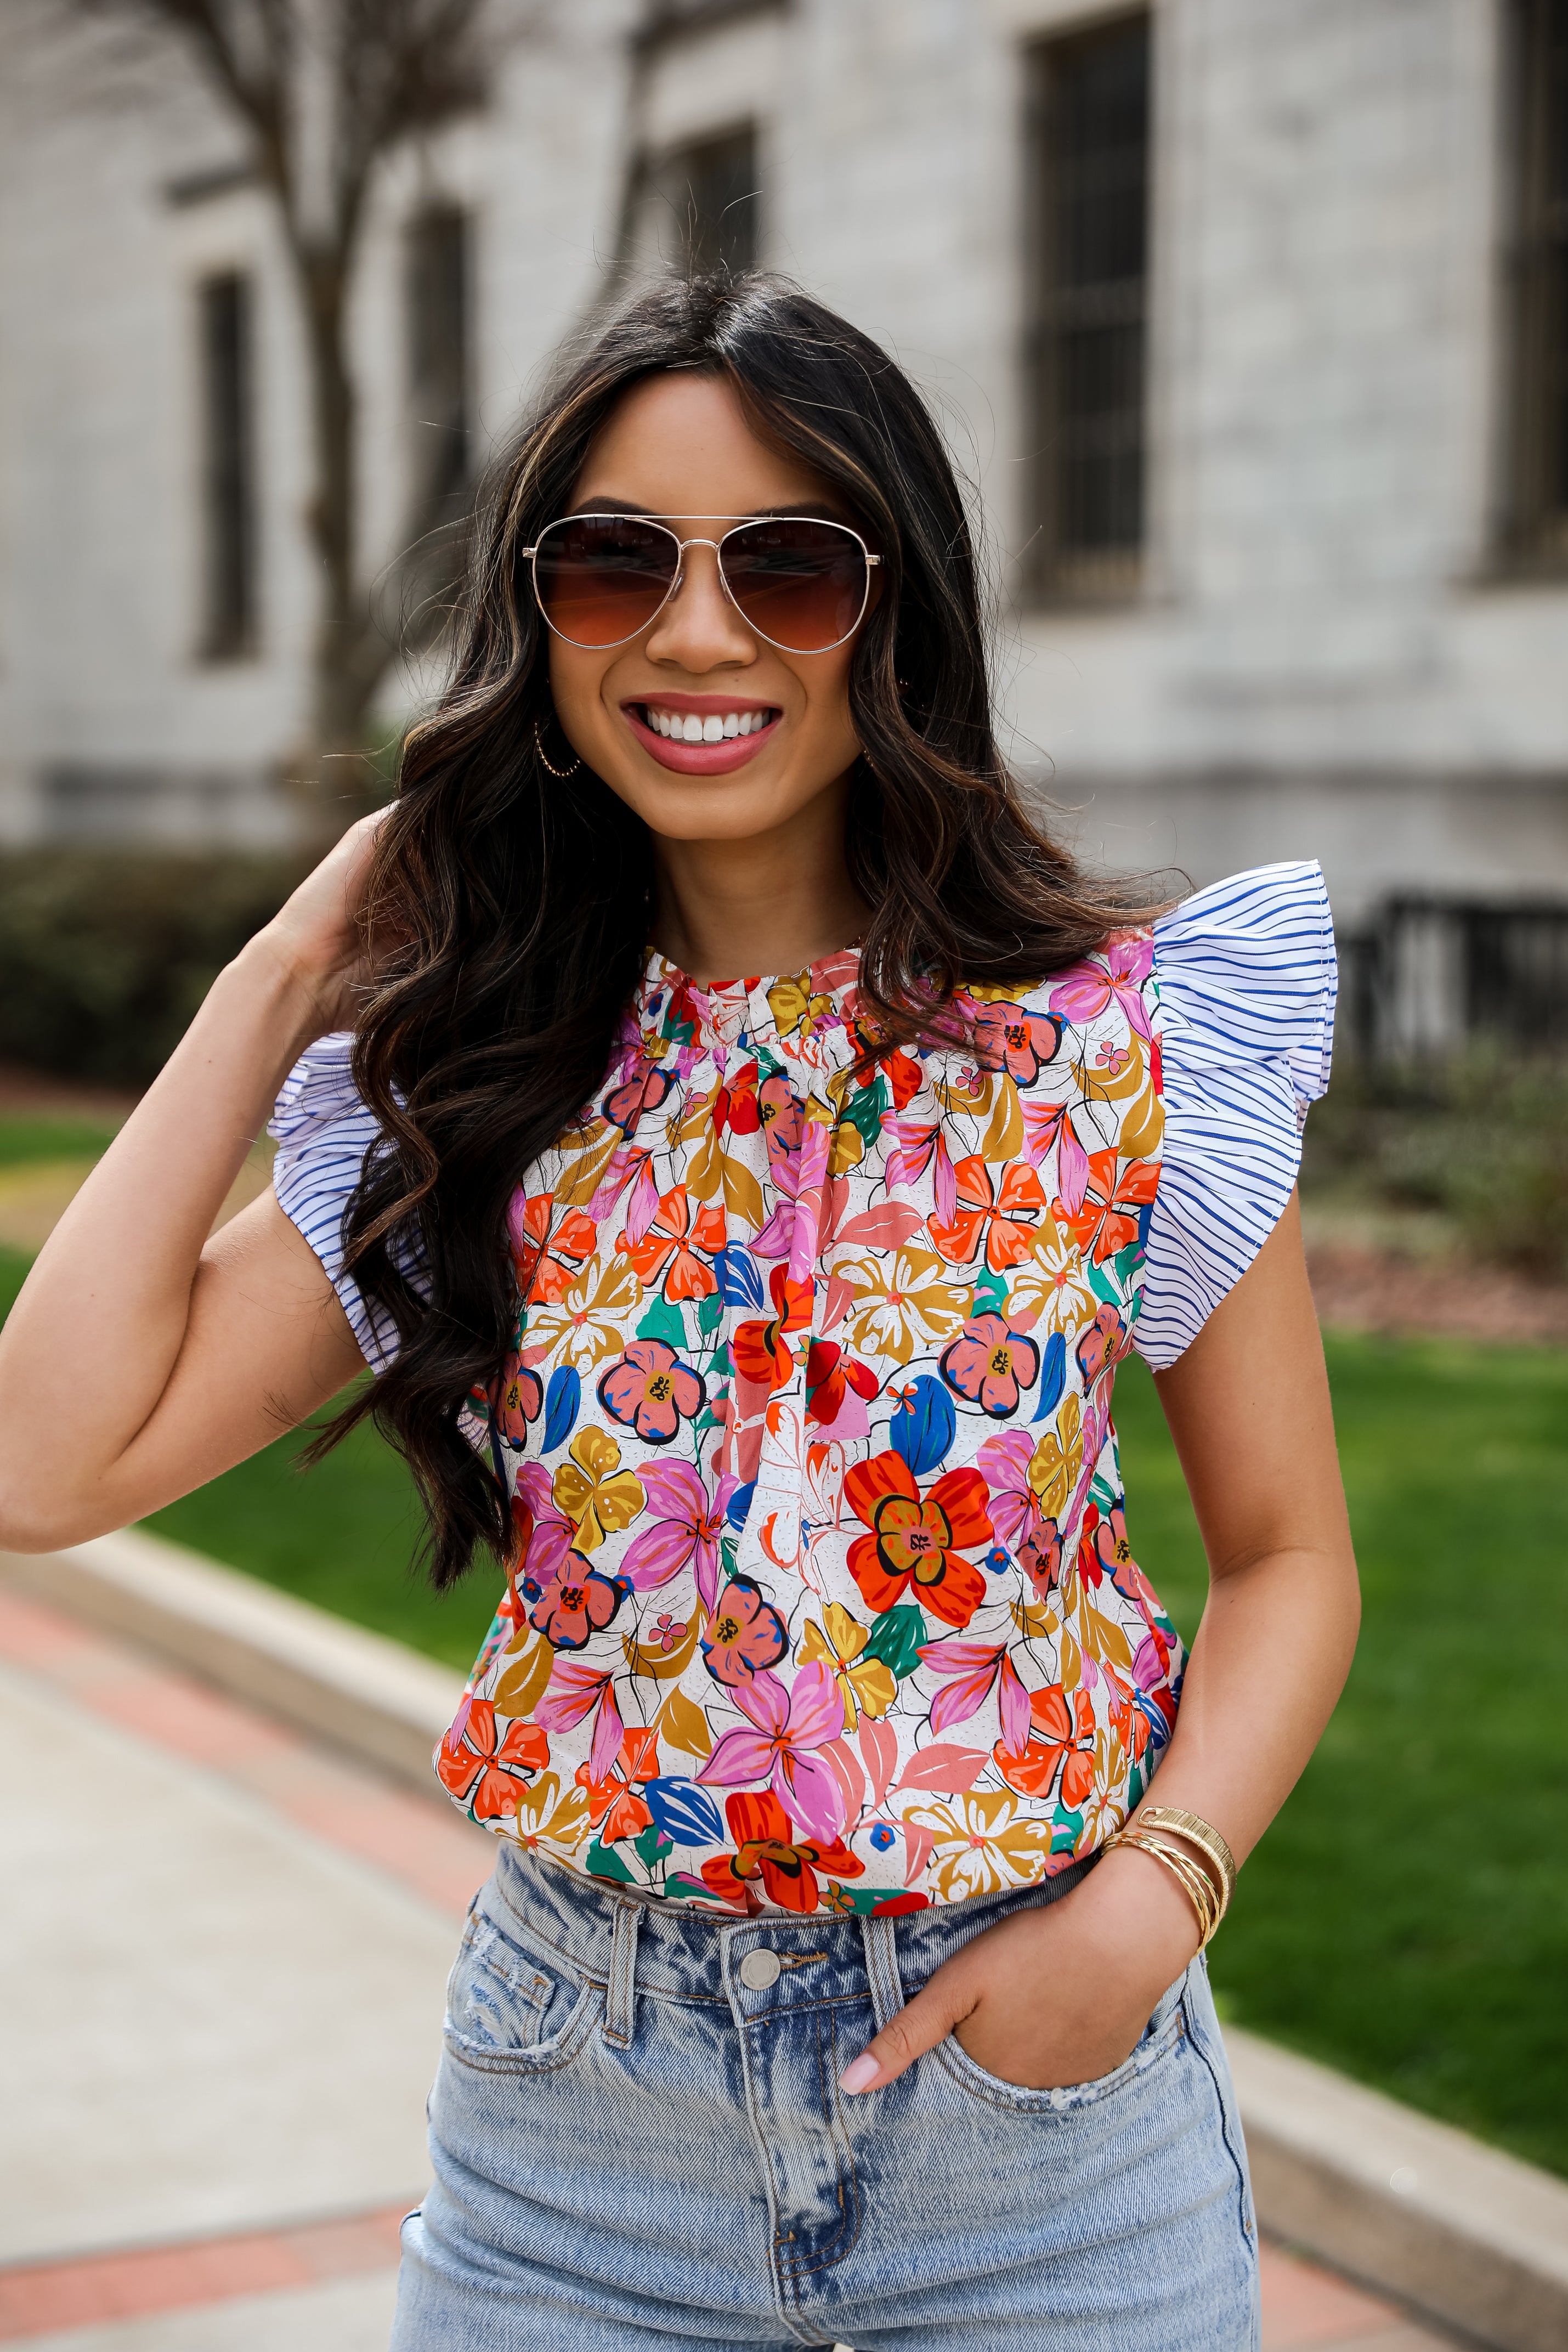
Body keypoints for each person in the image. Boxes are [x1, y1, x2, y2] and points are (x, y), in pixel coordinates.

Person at [0, 274, 1358, 2352]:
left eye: (790, 567)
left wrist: (1151, 1903)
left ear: (896, 614)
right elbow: (45, 1462)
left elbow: (1286, 1560)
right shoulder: (479, 1088)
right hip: (579, 2153)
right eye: (615, 560)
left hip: (1041, 2148)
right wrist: (283, 965)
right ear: (542, 626)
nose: (696, 633)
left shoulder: (1128, 1043)